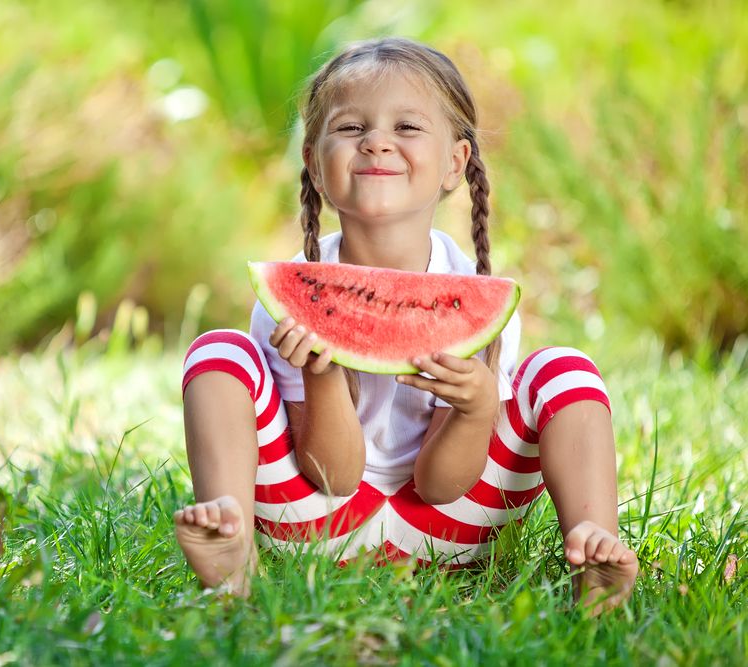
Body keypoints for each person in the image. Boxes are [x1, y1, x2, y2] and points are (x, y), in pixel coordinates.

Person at [173, 37, 637, 614]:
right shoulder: (290, 300)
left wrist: (476, 409)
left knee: (566, 370)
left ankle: (595, 549)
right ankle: (231, 549)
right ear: (315, 165)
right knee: (219, 353)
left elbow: (443, 485)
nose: (377, 141)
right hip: (316, 521)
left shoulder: (475, 294)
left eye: (408, 127)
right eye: (349, 128)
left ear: (455, 164)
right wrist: (322, 375)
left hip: (453, 526)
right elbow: (334, 477)